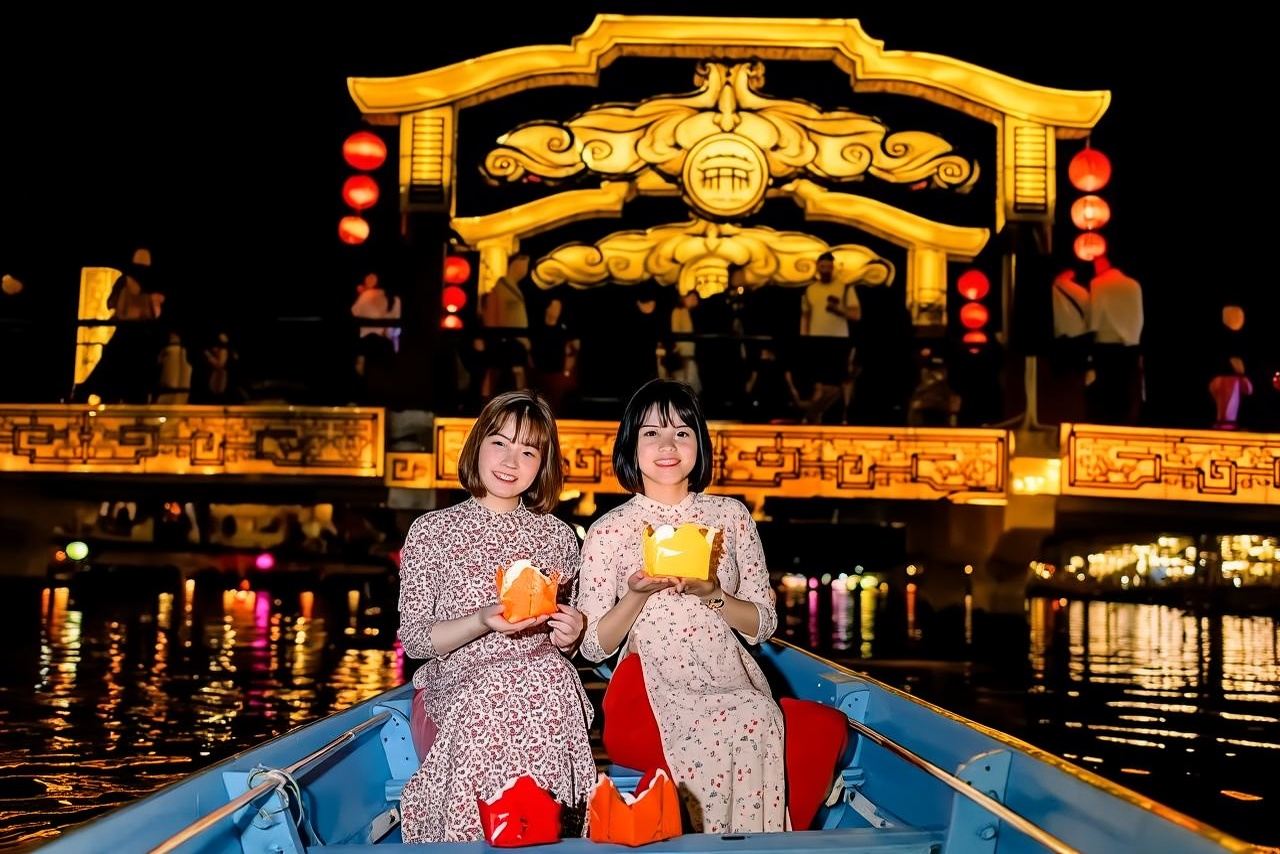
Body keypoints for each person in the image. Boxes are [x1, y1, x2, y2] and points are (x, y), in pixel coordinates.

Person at [576, 379, 786, 834]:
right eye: (651, 432)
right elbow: (592, 646)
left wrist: (713, 594)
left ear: (700, 444)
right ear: (631, 445)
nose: (667, 445)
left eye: (682, 432)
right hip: (649, 680)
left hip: (728, 674)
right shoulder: (608, 530)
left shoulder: (731, 516)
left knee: (757, 712)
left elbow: (763, 624)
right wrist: (636, 594)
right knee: (747, 717)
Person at [397, 390, 593, 842]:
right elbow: (416, 641)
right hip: (458, 684)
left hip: (542, 683)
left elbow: (564, 641)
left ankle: (539, 832)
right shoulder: (432, 531)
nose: (510, 461)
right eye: (500, 442)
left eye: (528, 451)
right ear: (477, 445)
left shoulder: (558, 537)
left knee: (547, 678)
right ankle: (471, 835)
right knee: (497, 690)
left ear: (543, 464)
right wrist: (482, 620)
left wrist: (571, 635)